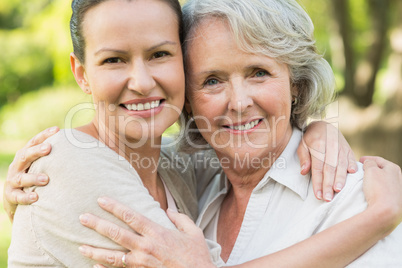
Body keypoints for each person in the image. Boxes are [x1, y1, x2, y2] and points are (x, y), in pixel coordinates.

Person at [4, 0, 400, 267]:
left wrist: (317, 129)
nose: (239, 101)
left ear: (295, 83)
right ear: (81, 73)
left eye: (259, 72)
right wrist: (379, 217)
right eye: (212, 80)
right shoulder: (71, 169)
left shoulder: (183, 170)